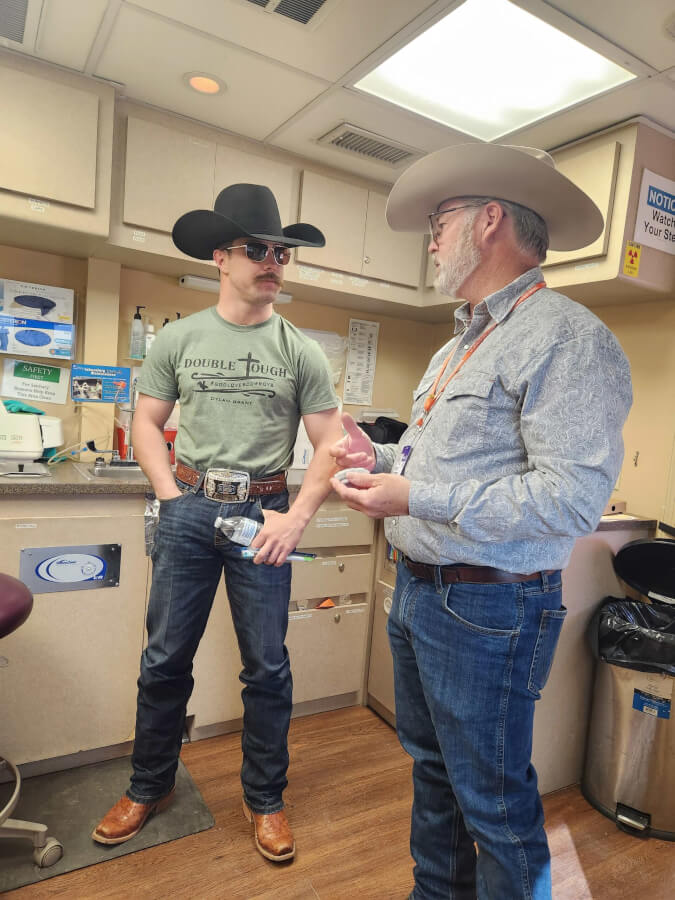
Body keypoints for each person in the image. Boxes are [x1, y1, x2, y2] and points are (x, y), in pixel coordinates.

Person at [330, 144, 632, 899]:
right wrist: (387, 457)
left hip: (488, 605)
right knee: (433, 773)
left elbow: (568, 500)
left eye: (440, 220)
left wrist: (415, 496)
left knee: (492, 803)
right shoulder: (458, 341)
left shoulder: (567, 337)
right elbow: (455, 465)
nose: (430, 238)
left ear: (490, 218)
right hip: (422, 593)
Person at [93, 183, 342, 862]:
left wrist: (294, 516)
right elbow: (145, 423)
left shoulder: (301, 350)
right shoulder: (177, 338)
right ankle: (148, 786)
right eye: (257, 249)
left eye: (280, 252)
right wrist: (171, 495)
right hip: (189, 507)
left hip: (264, 514)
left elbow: (332, 444)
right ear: (219, 258)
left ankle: (266, 801)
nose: (272, 262)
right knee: (164, 659)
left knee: (267, 668)